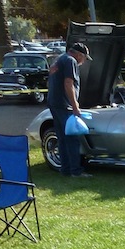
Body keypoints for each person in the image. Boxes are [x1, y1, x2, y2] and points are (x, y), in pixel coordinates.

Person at [47, 42, 92, 178]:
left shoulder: (59, 59)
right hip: (64, 104)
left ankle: (65, 169)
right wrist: (74, 105)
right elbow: (68, 83)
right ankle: (76, 171)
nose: (83, 62)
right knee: (72, 137)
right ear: (79, 55)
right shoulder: (70, 61)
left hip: (54, 102)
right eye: (84, 58)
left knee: (62, 138)